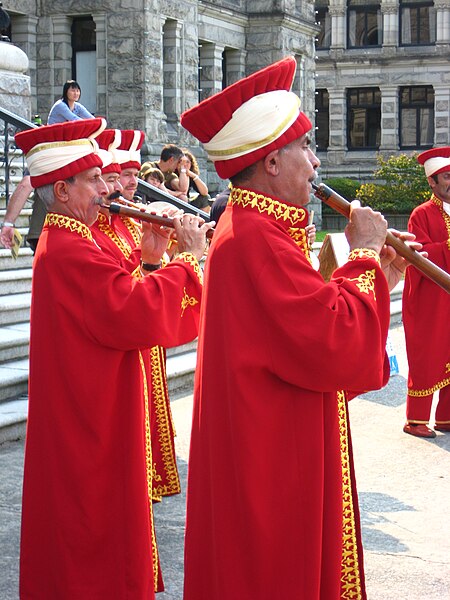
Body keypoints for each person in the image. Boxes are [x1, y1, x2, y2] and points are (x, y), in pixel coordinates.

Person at [180, 56, 419, 600]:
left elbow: (309, 325)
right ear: (269, 162)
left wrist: (379, 271)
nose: (315, 164)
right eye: (304, 150)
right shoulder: (255, 235)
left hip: (271, 438)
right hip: (271, 456)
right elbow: (332, 340)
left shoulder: (258, 228)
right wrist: (361, 254)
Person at [14, 118, 212, 599]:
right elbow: (132, 312)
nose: (107, 189)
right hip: (88, 416)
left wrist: (149, 261)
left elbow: (123, 297)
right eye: (95, 180)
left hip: (95, 403)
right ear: (62, 191)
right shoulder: (67, 249)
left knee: (99, 522)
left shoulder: (77, 239)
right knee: (90, 527)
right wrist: (188, 259)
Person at [93, 128, 184, 503]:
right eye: (113, 177)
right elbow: (119, 292)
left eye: (126, 176)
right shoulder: (90, 236)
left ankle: (153, 477)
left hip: (145, 334)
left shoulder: (129, 222)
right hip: (126, 336)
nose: (123, 185)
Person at [402, 147, 450, 438]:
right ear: (431, 182)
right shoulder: (421, 214)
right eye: (446, 176)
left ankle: (445, 418)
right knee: (427, 356)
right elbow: (416, 255)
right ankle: (416, 419)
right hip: (429, 299)